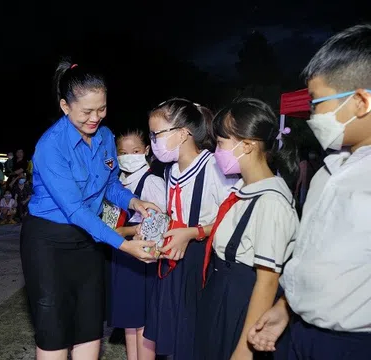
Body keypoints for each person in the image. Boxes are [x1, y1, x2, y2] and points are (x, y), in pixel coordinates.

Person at [20, 59, 159, 360]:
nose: (95, 118)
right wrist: (125, 246)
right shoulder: (51, 146)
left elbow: (110, 186)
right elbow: (76, 211)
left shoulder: (107, 137)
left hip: (88, 241)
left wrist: (134, 202)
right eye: (86, 111)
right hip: (49, 244)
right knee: (54, 330)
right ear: (65, 106)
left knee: (88, 327)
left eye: (102, 109)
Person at [248, 24, 371, 360]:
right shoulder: (326, 174)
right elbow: (315, 257)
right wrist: (287, 307)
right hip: (300, 333)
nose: (312, 115)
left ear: (360, 101)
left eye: (317, 103)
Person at [195, 98, 300, 360]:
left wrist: (245, 348)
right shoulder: (245, 189)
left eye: (221, 143)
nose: (217, 151)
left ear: (248, 146)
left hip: (243, 306)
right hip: (222, 296)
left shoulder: (271, 202)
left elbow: (267, 281)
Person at [143, 98, 237, 359]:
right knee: (174, 336)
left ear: (183, 133)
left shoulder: (215, 167)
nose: (153, 141)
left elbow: (232, 217)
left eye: (157, 133)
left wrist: (193, 232)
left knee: (195, 336)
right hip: (173, 263)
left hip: (201, 263)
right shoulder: (169, 170)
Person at [108, 129, 166, 360]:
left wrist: (128, 231)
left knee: (143, 323)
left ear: (146, 151)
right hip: (122, 255)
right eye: (123, 152)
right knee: (129, 323)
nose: (129, 156)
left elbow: (160, 222)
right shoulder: (119, 182)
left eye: (135, 151)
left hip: (142, 259)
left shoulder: (151, 181)